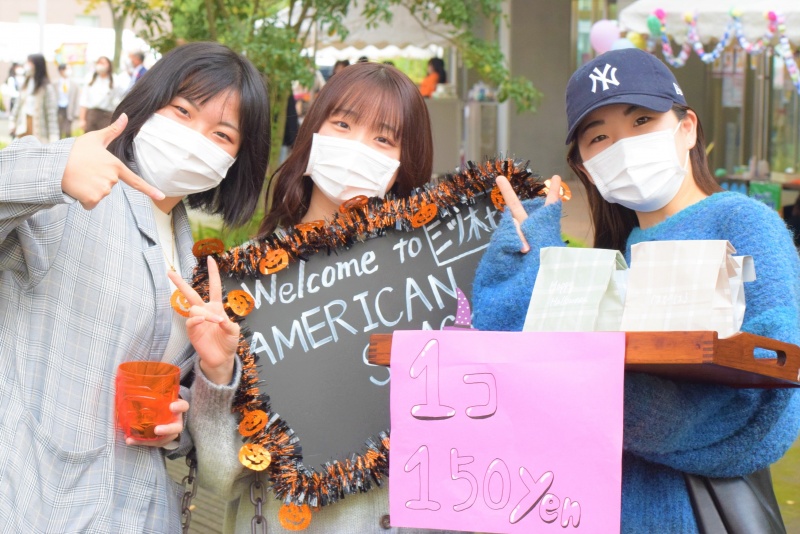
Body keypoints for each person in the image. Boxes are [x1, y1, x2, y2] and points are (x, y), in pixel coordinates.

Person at [472, 48, 800, 533]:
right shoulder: (612, 256)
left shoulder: (743, 223)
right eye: (599, 137)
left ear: (687, 128)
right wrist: (523, 261)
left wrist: (617, 410)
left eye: (642, 120)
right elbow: (512, 365)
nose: (622, 146)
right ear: (586, 167)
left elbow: (772, 399)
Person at [0, 41, 271, 532]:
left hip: (139, 510)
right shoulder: (68, 197)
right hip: (34, 503)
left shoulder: (192, 257)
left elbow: (184, 426)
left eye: (222, 133)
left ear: (237, 159)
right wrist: (55, 170)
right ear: (149, 103)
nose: (194, 137)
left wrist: (192, 402)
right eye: (182, 111)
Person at [185, 61, 445, 534]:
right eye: (343, 125)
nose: (357, 147)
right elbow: (221, 476)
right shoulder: (247, 285)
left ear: (404, 163)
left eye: (383, 139)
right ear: (313, 133)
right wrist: (218, 373)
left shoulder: (433, 275)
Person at [9, 54, 58, 143]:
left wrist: (53, 137)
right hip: (23, 128)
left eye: (29, 62)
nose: (27, 64)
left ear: (37, 65)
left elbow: (51, 115)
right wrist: (12, 121)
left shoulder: (46, 88)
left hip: (39, 131)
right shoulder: (25, 84)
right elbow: (17, 105)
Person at [79, 56, 123, 132]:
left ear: (109, 65)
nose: (100, 65)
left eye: (103, 63)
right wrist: (82, 119)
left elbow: (117, 100)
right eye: (99, 63)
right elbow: (84, 100)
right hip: (91, 114)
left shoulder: (115, 80)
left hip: (107, 115)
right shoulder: (90, 78)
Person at [56, 63, 80, 138]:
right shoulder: (55, 84)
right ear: (61, 71)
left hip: (69, 109)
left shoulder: (74, 84)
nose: (69, 71)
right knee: (58, 130)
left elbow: (76, 99)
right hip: (59, 108)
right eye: (67, 69)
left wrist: (76, 112)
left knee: (68, 130)